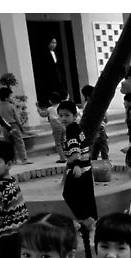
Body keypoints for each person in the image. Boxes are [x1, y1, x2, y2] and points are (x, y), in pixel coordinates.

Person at [58, 100, 97, 229]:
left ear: (74, 116)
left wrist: (76, 165)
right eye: (61, 115)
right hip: (84, 167)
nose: (63, 118)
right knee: (85, 195)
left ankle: (86, 219)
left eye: (67, 115)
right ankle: (90, 219)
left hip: (80, 168)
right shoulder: (74, 128)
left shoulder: (71, 130)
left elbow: (75, 148)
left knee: (69, 194)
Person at [0, 87, 32, 165]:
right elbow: (17, 119)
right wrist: (22, 129)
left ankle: (14, 159)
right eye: (10, 96)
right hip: (14, 126)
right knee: (19, 142)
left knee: (9, 144)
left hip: (4, 127)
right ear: (6, 97)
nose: (11, 97)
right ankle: (24, 159)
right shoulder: (11, 106)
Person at [36, 91, 67, 163]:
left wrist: (38, 107)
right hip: (63, 126)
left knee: (58, 143)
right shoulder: (62, 106)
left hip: (56, 127)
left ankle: (62, 158)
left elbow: (42, 114)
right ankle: (66, 155)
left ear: (50, 101)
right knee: (63, 142)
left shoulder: (50, 109)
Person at [81, 85, 109, 161]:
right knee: (101, 149)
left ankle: (97, 164)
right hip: (97, 130)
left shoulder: (89, 104)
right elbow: (105, 117)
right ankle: (102, 164)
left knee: (99, 149)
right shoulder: (91, 105)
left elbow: (105, 117)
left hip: (97, 130)